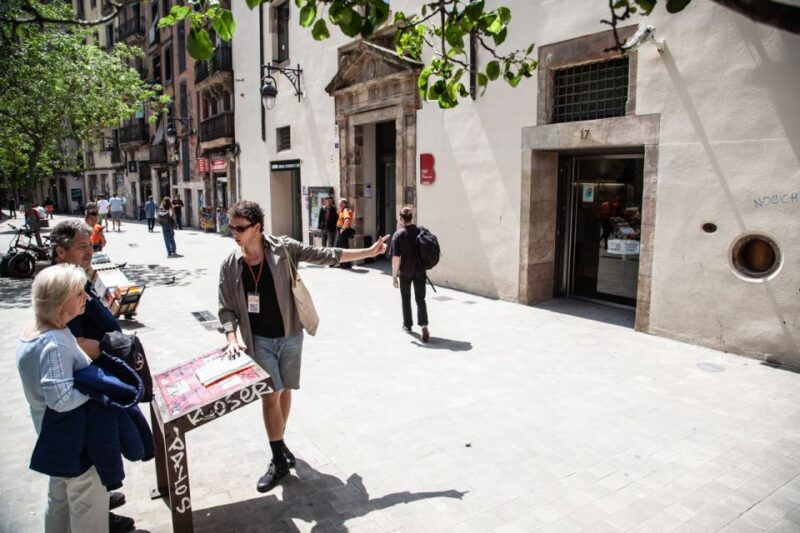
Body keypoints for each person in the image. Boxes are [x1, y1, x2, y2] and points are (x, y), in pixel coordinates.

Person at [218, 200, 388, 493]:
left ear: (257, 228)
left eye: (239, 228)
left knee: (284, 391)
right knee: (270, 395)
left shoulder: (284, 248)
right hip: (257, 341)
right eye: (231, 226)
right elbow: (225, 308)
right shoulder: (231, 265)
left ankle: (279, 444)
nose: (233, 232)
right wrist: (231, 339)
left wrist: (369, 252)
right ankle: (278, 460)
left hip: (290, 335)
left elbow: (326, 254)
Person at [49, 220, 136, 533]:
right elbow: (72, 344)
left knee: (67, 485)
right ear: (60, 251)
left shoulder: (77, 279)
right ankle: (97, 518)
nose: (90, 252)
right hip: (82, 392)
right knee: (85, 477)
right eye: (82, 247)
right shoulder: (62, 288)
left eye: (91, 246)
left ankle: (100, 509)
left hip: (88, 386)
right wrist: (109, 344)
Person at [16, 264, 109, 533]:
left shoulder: (36, 332)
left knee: (59, 501)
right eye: (79, 293)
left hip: (53, 438)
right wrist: (98, 388)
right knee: (87, 504)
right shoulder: (53, 342)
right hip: (74, 439)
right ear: (60, 299)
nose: (86, 298)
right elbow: (62, 398)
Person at [391, 207, 430, 342]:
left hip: (406, 272)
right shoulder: (421, 231)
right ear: (412, 217)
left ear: (401, 219)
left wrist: (394, 276)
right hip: (420, 271)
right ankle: (424, 325)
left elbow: (396, 258)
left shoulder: (398, 235)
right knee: (421, 299)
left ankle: (408, 325)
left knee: (406, 299)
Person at [335, 198, 354, 269]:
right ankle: (343, 263)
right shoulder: (344, 210)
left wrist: (342, 228)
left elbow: (347, 220)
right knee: (342, 247)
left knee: (343, 247)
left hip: (342, 230)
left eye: (341, 203)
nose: (339, 205)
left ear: (345, 204)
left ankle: (346, 264)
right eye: (339, 203)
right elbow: (341, 215)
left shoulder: (346, 210)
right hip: (342, 230)